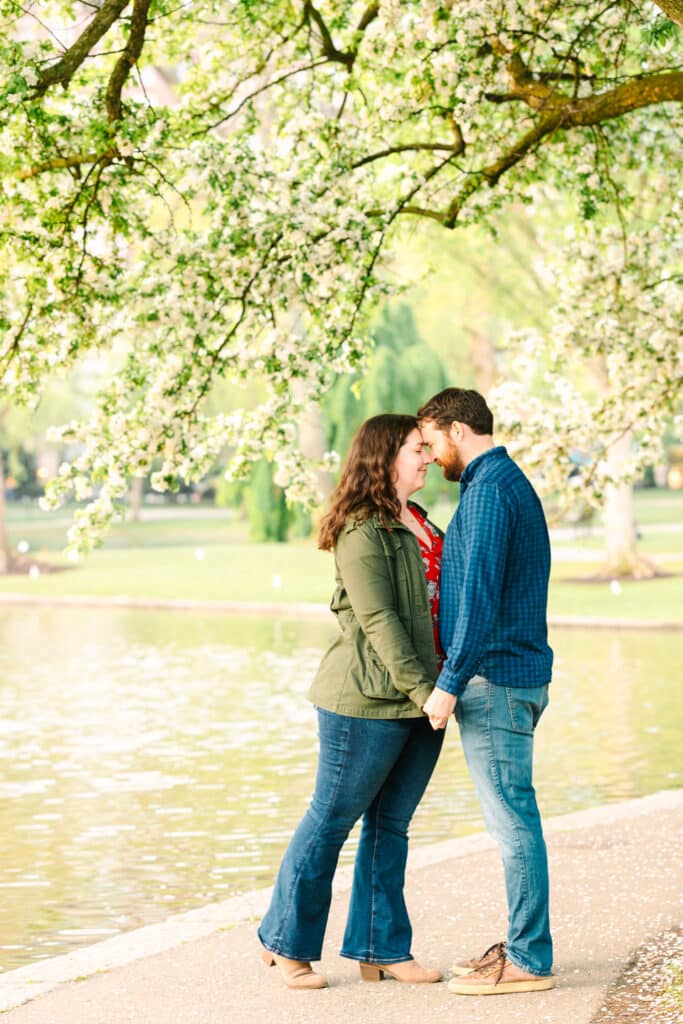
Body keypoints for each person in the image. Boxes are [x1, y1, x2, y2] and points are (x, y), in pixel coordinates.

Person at [258, 414, 445, 989]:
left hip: (425, 699)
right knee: (331, 820)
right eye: (418, 448)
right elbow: (380, 620)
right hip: (364, 702)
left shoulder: (419, 520)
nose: (429, 458)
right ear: (387, 455)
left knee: (391, 827)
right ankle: (286, 942)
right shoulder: (362, 531)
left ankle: (380, 946)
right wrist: (426, 692)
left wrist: (441, 688)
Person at [417, 387, 555, 997]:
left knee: (512, 824)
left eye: (431, 441)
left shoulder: (491, 491)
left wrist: (448, 685)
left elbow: (478, 601)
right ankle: (527, 947)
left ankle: (528, 958)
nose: (430, 454)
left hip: (496, 679)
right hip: (511, 675)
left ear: (456, 429)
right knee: (513, 817)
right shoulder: (494, 486)